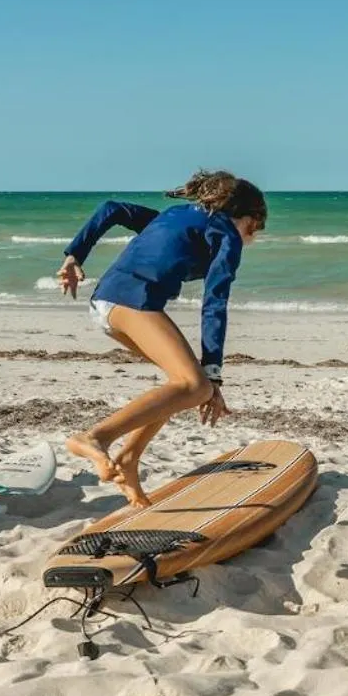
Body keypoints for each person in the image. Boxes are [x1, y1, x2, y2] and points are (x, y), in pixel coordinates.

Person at [57, 169, 265, 507]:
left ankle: (129, 459)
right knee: (195, 386)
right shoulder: (225, 232)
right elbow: (215, 303)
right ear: (249, 218)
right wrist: (213, 374)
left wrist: (74, 255)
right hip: (130, 301)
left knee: (180, 387)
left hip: (108, 302)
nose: (251, 238)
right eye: (254, 229)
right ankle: (95, 437)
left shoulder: (175, 217)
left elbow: (112, 208)